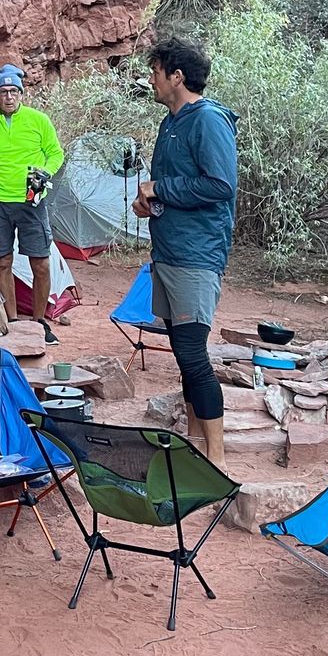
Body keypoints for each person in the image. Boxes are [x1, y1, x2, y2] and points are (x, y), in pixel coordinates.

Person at [132, 37, 238, 464]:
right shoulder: (170, 124)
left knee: (194, 355)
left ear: (177, 76)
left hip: (198, 254)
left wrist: (161, 187)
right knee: (182, 352)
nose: (151, 79)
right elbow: (180, 186)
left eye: (156, 71)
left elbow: (219, 185)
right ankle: (195, 445)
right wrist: (150, 203)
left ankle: (217, 459)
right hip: (169, 252)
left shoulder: (207, 120)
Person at [0, 64, 66, 342]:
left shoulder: (38, 120)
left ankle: (40, 322)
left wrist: (45, 172)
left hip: (31, 201)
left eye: (13, 91)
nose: (9, 96)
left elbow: (55, 154)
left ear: (21, 94)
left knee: (40, 262)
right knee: (2, 261)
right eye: (3, 91)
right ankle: (11, 322)